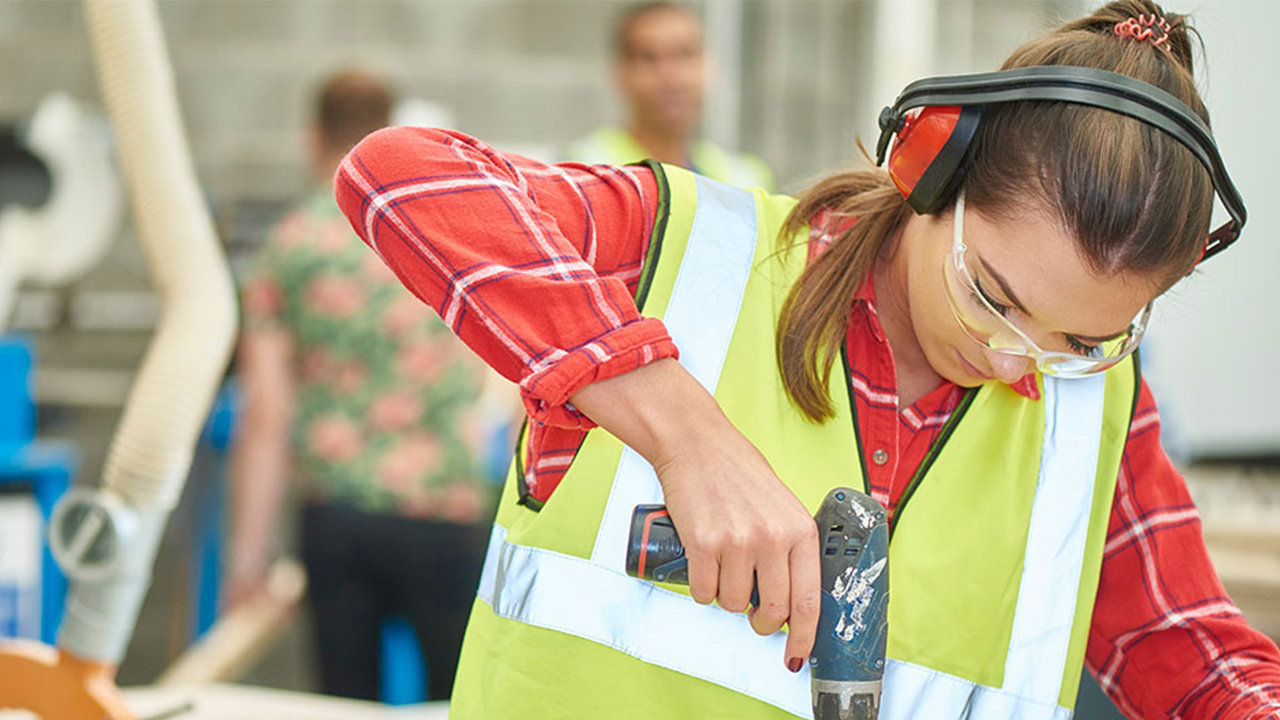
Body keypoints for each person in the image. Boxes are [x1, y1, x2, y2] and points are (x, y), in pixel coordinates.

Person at [334, 2, 1280, 717]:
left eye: (1079, 340)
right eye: (996, 295)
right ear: (928, 172)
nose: (1011, 359)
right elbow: (401, 174)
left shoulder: (1095, 406)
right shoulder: (685, 257)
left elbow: (1185, 647)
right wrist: (686, 435)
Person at [228, 69, 509, 702]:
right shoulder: (442, 229)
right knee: (460, 701)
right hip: (446, 506)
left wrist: (248, 560)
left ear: (312, 136)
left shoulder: (291, 245)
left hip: (337, 511)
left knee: (344, 703)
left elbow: (266, 416)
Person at [564, 1, 776, 190]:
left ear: (709, 65)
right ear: (620, 72)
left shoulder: (744, 180)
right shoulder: (582, 172)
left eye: (686, 54)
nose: (671, 78)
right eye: (649, 58)